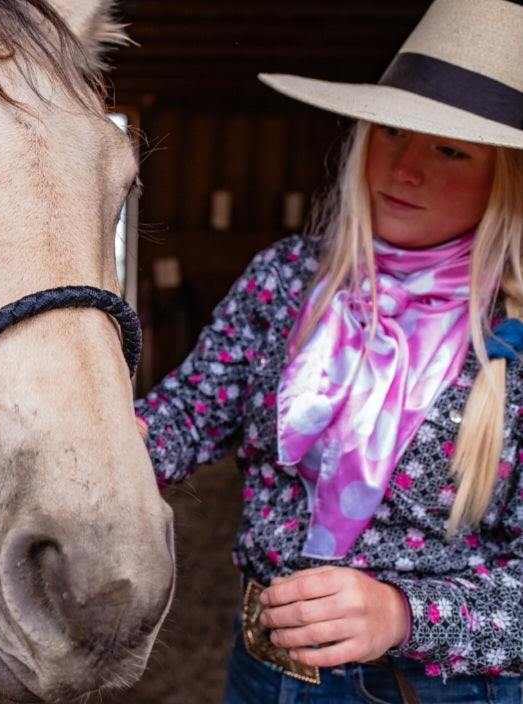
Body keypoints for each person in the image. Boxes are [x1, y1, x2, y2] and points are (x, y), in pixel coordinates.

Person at [135, 0, 523, 701]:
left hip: (435, 689)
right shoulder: (287, 278)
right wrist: (108, 441)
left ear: (508, 178)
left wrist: (403, 615)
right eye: (390, 131)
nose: (402, 167)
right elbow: (190, 411)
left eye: (449, 149)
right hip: (263, 672)